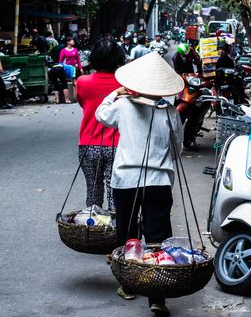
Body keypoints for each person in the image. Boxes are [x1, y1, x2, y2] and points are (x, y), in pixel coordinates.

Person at [96, 52, 183, 316]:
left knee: (128, 234)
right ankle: (157, 297)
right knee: (157, 239)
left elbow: (101, 115)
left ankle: (130, 286)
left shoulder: (123, 105)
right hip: (158, 182)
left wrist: (116, 94)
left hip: (126, 181)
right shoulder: (170, 111)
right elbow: (177, 147)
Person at [76, 38, 126, 209]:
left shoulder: (82, 82)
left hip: (88, 145)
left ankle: (93, 230)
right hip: (118, 145)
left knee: (93, 192)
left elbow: (83, 104)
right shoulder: (125, 84)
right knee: (115, 192)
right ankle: (116, 231)